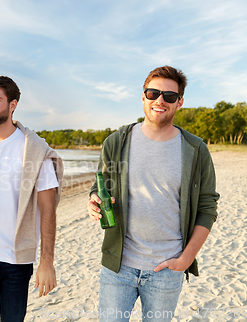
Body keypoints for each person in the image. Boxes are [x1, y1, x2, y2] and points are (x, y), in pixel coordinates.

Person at [87, 66, 219, 322]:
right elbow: (100, 185)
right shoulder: (116, 142)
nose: (160, 100)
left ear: (179, 102)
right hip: (118, 266)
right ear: (143, 96)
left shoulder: (195, 149)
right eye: (153, 93)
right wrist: (93, 201)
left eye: (169, 96)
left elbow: (207, 207)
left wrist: (186, 259)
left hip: (167, 269)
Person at [0, 75, 64, 322]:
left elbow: (48, 210)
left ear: (13, 104)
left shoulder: (35, 150)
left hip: (15, 260)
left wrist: (46, 263)